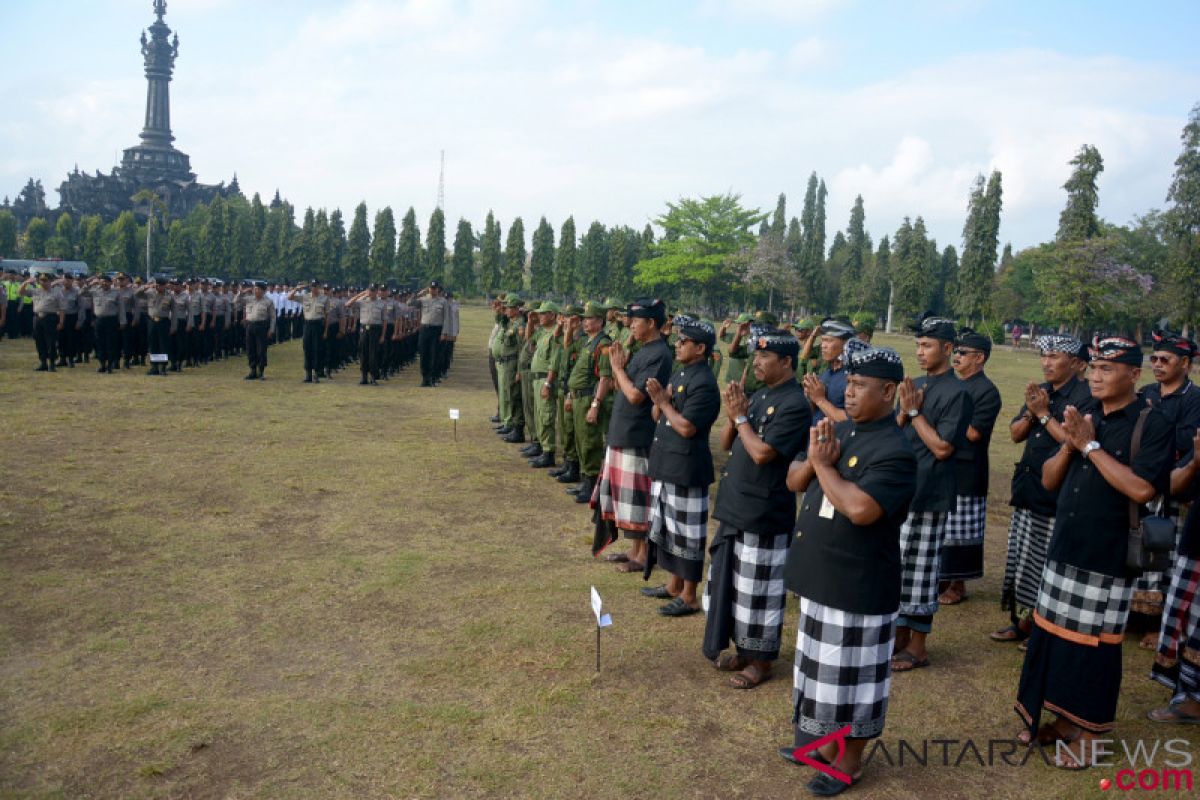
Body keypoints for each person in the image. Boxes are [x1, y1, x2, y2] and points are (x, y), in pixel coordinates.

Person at [1015, 334, 1173, 769]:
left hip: (1107, 554)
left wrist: (1089, 446)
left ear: (1133, 376)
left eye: (1108, 369)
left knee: (1094, 649)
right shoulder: (1085, 414)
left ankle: (1091, 733)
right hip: (1065, 542)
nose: (1098, 375)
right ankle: (1064, 720)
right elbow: (1049, 481)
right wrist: (1069, 443)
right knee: (1053, 637)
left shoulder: (1150, 423)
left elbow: (1142, 489)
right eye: (1096, 367)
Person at [781, 345, 916, 794]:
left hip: (859, 585)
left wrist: (822, 466)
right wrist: (815, 461)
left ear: (890, 391)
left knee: (854, 682)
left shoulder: (895, 452)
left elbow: (860, 509)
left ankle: (850, 762)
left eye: (860, 386)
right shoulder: (845, 431)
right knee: (822, 672)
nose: (850, 393)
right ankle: (824, 745)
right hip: (825, 576)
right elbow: (793, 479)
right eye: (850, 384)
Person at [703, 327, 812, 690]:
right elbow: (726, 440)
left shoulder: (795, 404)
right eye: (756, 355)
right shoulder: (762, 394)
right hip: (738, 505)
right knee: (734, 586)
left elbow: (764, 453)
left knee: (760, 592)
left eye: (765, 357)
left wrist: (741, 418)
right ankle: (744, 649)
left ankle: (762, 660)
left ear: (786, 362)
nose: (757, 362)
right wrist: (736, 415)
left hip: (764, 512)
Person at [992, 335, 1093, 647]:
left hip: (1057, 496)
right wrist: (1032, 411)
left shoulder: (1085, 397)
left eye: (1054, 356)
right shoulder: (1042, 392)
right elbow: (1014, 434)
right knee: (1023, 562)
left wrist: (1045, 414)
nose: (1046, 362)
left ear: (1077, 363)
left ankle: (1040, 626)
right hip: (1027, 489)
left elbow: (1073, 441)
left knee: (1046, 564)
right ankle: (1022, 620)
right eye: (1044, 355)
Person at [891, 313, 971, 673]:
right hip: (903, 489)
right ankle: (899, 635)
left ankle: (918, 647)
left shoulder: (958, 393)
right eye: (918, 345)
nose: (920, 352)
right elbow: (896, 429)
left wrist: (913, 411)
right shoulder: (917, 383)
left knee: (921, 573)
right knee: (898, 567)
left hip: (931, 494)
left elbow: (942, 449)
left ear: (948, 348)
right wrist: (905, 411)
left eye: (927, 345)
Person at [641, 316, 721, 616]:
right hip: (667, 463)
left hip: (687, 469)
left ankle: (688, 595)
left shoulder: (705, 383)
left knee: (687, 535)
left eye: (684, 341)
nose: (678, 344)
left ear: (700, 348)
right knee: (670, 529)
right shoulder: (681, 373)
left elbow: (687, 428)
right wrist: (659, 402)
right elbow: (658, 416)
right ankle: (674, 585)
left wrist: (663, 403)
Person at [591, 299, 674, 573]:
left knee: (637, 500)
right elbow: (622, 387)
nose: (631, 325)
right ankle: (634, 549)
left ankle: (643, 555)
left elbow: (637, 396)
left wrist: (617, 369)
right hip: (622, 430)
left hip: (637, 434)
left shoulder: (659, 354)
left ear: (651, 323)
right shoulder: (643, 350)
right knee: (623, 498)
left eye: (636, 321)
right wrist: (620, 368)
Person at [1132, 331, 1200, 647]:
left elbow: (1185, 444)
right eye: (1154, 358)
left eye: (1165, 360)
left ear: (1185, 363)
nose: (1157, 364)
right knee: (1138, 548)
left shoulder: (1193, 399)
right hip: (1141, 483)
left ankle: (1158, 622)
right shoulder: (1146, 392)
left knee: (1166, 556)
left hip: (1174, 488)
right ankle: (1136, 614)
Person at [938, 328, 1003, 606]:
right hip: (944, 464)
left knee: (962, 531)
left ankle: (958, 583)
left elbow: (975, 432)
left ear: (980, 358)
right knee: (942, 526)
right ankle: (939, 578)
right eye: (956, 351)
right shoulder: (952, 383)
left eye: (963, 353)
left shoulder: (987, 391)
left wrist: (946, 424)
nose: (957, 357)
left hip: (968, 469)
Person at [564, 302, 612, 502]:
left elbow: (605, 378)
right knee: (579, 440)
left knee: (590, 442)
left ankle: (591, 484)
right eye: (584, 318)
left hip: (588, 399)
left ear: (600, 321)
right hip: (577, 397)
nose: (585, 322)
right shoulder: (588, 341)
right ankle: (585, 479)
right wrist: (569, 395)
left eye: (589, 318)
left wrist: (595, 405)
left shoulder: (603, 344)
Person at [528, 302, 564, 469]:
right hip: (537, 379)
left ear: (552, 314)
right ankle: (543, 448)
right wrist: (530, 322)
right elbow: (529, 341)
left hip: (545, 379)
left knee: (546, 415)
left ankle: (548, 451)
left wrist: (548, 383)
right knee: (538, 415)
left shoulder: (557, 334)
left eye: (543, 313)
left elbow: (554, 361)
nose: (540, 316)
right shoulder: (543, 332)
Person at [801, 318, 855, 424]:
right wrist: (810, 396)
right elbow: (813, 413)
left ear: (847, 343)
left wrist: (820, 399)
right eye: (822, 340)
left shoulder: (853, 378)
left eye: (829, 341)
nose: (823, 346)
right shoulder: (826, 374)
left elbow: (851, 420)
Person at [495, 297, 526, 441]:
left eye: (508, 308)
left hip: (514, 363)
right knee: (509, 394)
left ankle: (518, 429)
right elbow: (501, 322)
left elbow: (521, 349)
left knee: (515, 395)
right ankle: (513, 425)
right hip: (508, 363)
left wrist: (519, 370)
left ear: (515, 309)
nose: (506, 310)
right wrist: (500, 313)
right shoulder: (511, 322)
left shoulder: (520, 324)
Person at [290, 280, 333, 384]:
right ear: (310, 287)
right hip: (307, 325)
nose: (314, 288)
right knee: (307, 349)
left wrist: (326, 331)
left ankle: (316, 374)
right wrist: (297, 289)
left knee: (317, 350)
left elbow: (327, 316)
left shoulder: (325, 298)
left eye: (316, 286)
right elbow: (290, 297)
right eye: (312, 286)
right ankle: (308, 374)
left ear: (319, 287)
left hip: (318, 326)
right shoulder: (305, 296)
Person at [79, 275, 124, 373]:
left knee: (110, 343)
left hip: (112, 320)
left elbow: (121, 309)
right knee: (100, 343)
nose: (104, 283)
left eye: (106, 282)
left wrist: (122, 321)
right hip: (99, 320)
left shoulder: (116, 293)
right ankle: (102, 364)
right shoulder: (95, 292)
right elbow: (81, 293)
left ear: (110, 283)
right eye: (102, 282)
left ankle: (110, 365)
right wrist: (89, 283)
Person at [20, 272, 64, 371]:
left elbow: (61, 309)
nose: (43, 282)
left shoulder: (56, 293)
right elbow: (21, 292)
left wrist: (61, 322)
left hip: (51, 318)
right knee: (39, 341)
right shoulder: (36, 291)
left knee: (51, 342)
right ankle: (43, 363)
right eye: (41, 280)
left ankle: (52, 364)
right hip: (38, 318)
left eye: (45, 280)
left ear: (51, 281)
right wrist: (26, 282)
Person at [409, 280, 449, 386]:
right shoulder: (423, 300)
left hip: (437, 330)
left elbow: (446, 319)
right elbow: (410, 303)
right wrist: (418, 294)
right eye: (431, 288)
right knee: (423, 354)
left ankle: (433, 378)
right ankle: (424, 378)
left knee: (434, 355)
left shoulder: (443, 301)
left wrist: (444, 333)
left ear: (438, 290)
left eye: (435, 288)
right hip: (424, 329)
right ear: (428, 289)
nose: (433, 290)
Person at [346, 284, 384, 385]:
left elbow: (384, 321)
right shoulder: (362, 301)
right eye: (370, 290)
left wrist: (383, 335)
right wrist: (360, 294)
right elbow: (348, 304)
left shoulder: (381, 303)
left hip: (375, 329)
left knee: (373, 354)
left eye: (373, 290)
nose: (371, 292)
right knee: (363, 353)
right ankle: (364, 377)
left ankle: (373, 377)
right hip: (364, 329)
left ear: (377, 291)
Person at [136, 277, 174, 376]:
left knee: (163, 345)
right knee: (153, 345)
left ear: (165, 285)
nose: (158, 287)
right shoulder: (150, 293)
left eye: (161, 285)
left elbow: (175, 313)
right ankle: (154, 367)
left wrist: (174, 326)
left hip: (164, 322)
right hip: (152, 321)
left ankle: (163, 367)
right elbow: (136, 294)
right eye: (157, 285)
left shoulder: (170, 296)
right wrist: (146, 287)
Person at [239, 280, 276, 380]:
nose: (256, 291)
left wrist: (271, 329)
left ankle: (261, 371)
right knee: (250, 349)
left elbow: (273, 317)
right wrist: (243, 291)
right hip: (250, 326)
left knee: (261, 350)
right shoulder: (249, 299)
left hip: (262, 327)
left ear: (263, 291)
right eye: (255, 289)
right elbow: (236, 300)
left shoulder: (268, 302)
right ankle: (253, 370)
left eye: (258, 289)